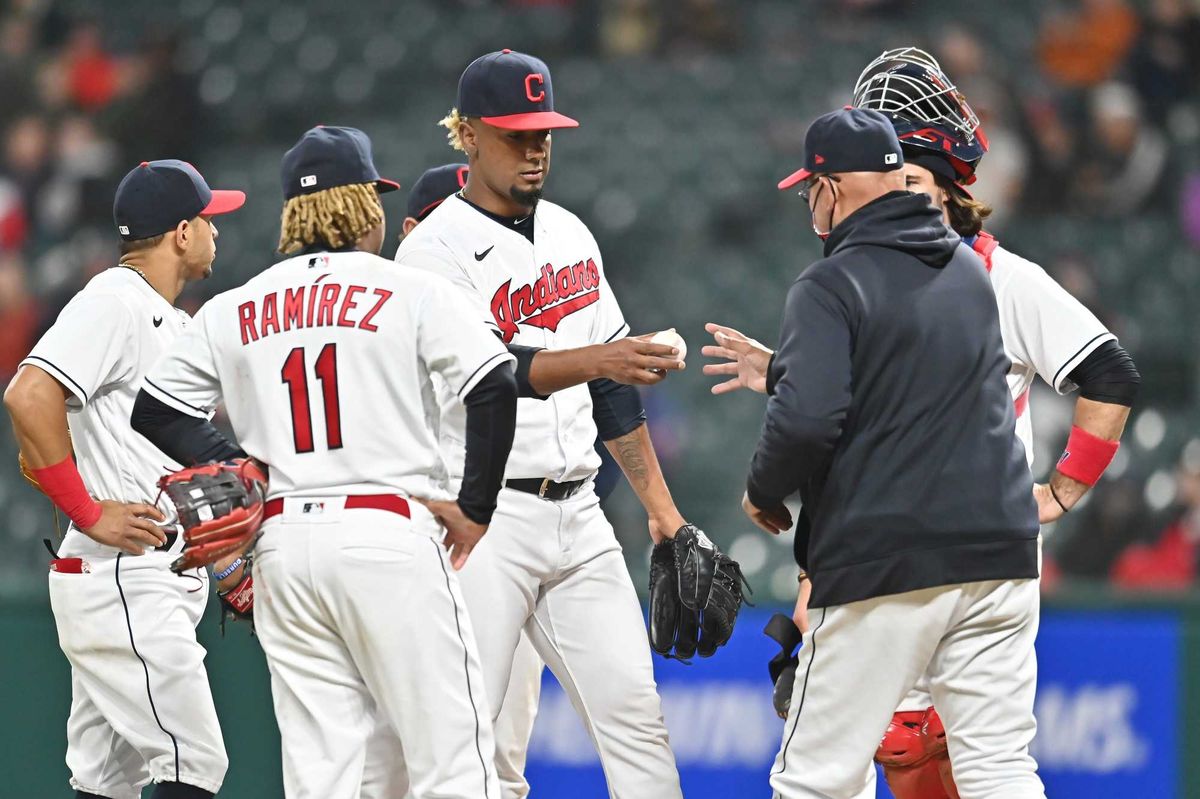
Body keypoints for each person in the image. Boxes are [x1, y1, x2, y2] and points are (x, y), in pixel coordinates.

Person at [709, 50, 1141, 799]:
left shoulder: (992, 274)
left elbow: (1110, 373)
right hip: (980, 540)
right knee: (961, 761)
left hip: (900, 544)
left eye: (913, 180)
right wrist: (786, 369)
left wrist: (1066, 489)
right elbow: (878, 393)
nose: (899, 193)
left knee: (844, 767)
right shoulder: (945, 277)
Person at [131, 125, 518, 799]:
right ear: (362, 204)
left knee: (324, 773)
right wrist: (477, 508)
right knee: (454, 763)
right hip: (385, 533)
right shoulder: (408, 290)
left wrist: (239, 462)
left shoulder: (236, 307)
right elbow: (494, 384)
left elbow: (155, 408)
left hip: (283, 547)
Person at [395, 49, 699, 799]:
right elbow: (496, 373)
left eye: (544, 134)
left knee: (636, 718)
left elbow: (615, 396)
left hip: (581, 514)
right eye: (515, 134)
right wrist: (605, 356)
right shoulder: (429, 251)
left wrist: (663, 513)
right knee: (464, 744)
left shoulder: (569, 232)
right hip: (484, 522)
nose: (534, 150)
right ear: (466, 135)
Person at [738, 106, 1045, 799]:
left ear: (834, 187)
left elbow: (808, 420)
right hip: (1001, 553)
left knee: (813, 779)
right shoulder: (968, 270)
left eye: (809, 188)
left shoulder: (829, 283)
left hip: (890, 559)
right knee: (999, 769)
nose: (809, 203)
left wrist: (762, 490)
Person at [4, 159, 244, 799]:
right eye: (210, 220)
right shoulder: (115, 301)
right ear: (182, 231)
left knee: (108, 778)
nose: (217, 233)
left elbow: (168, 465)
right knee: (194, 763)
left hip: (143, 571)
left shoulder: (170, 320)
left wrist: (223, 566)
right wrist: (85, 509)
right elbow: (28, 395)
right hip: (122, 573)